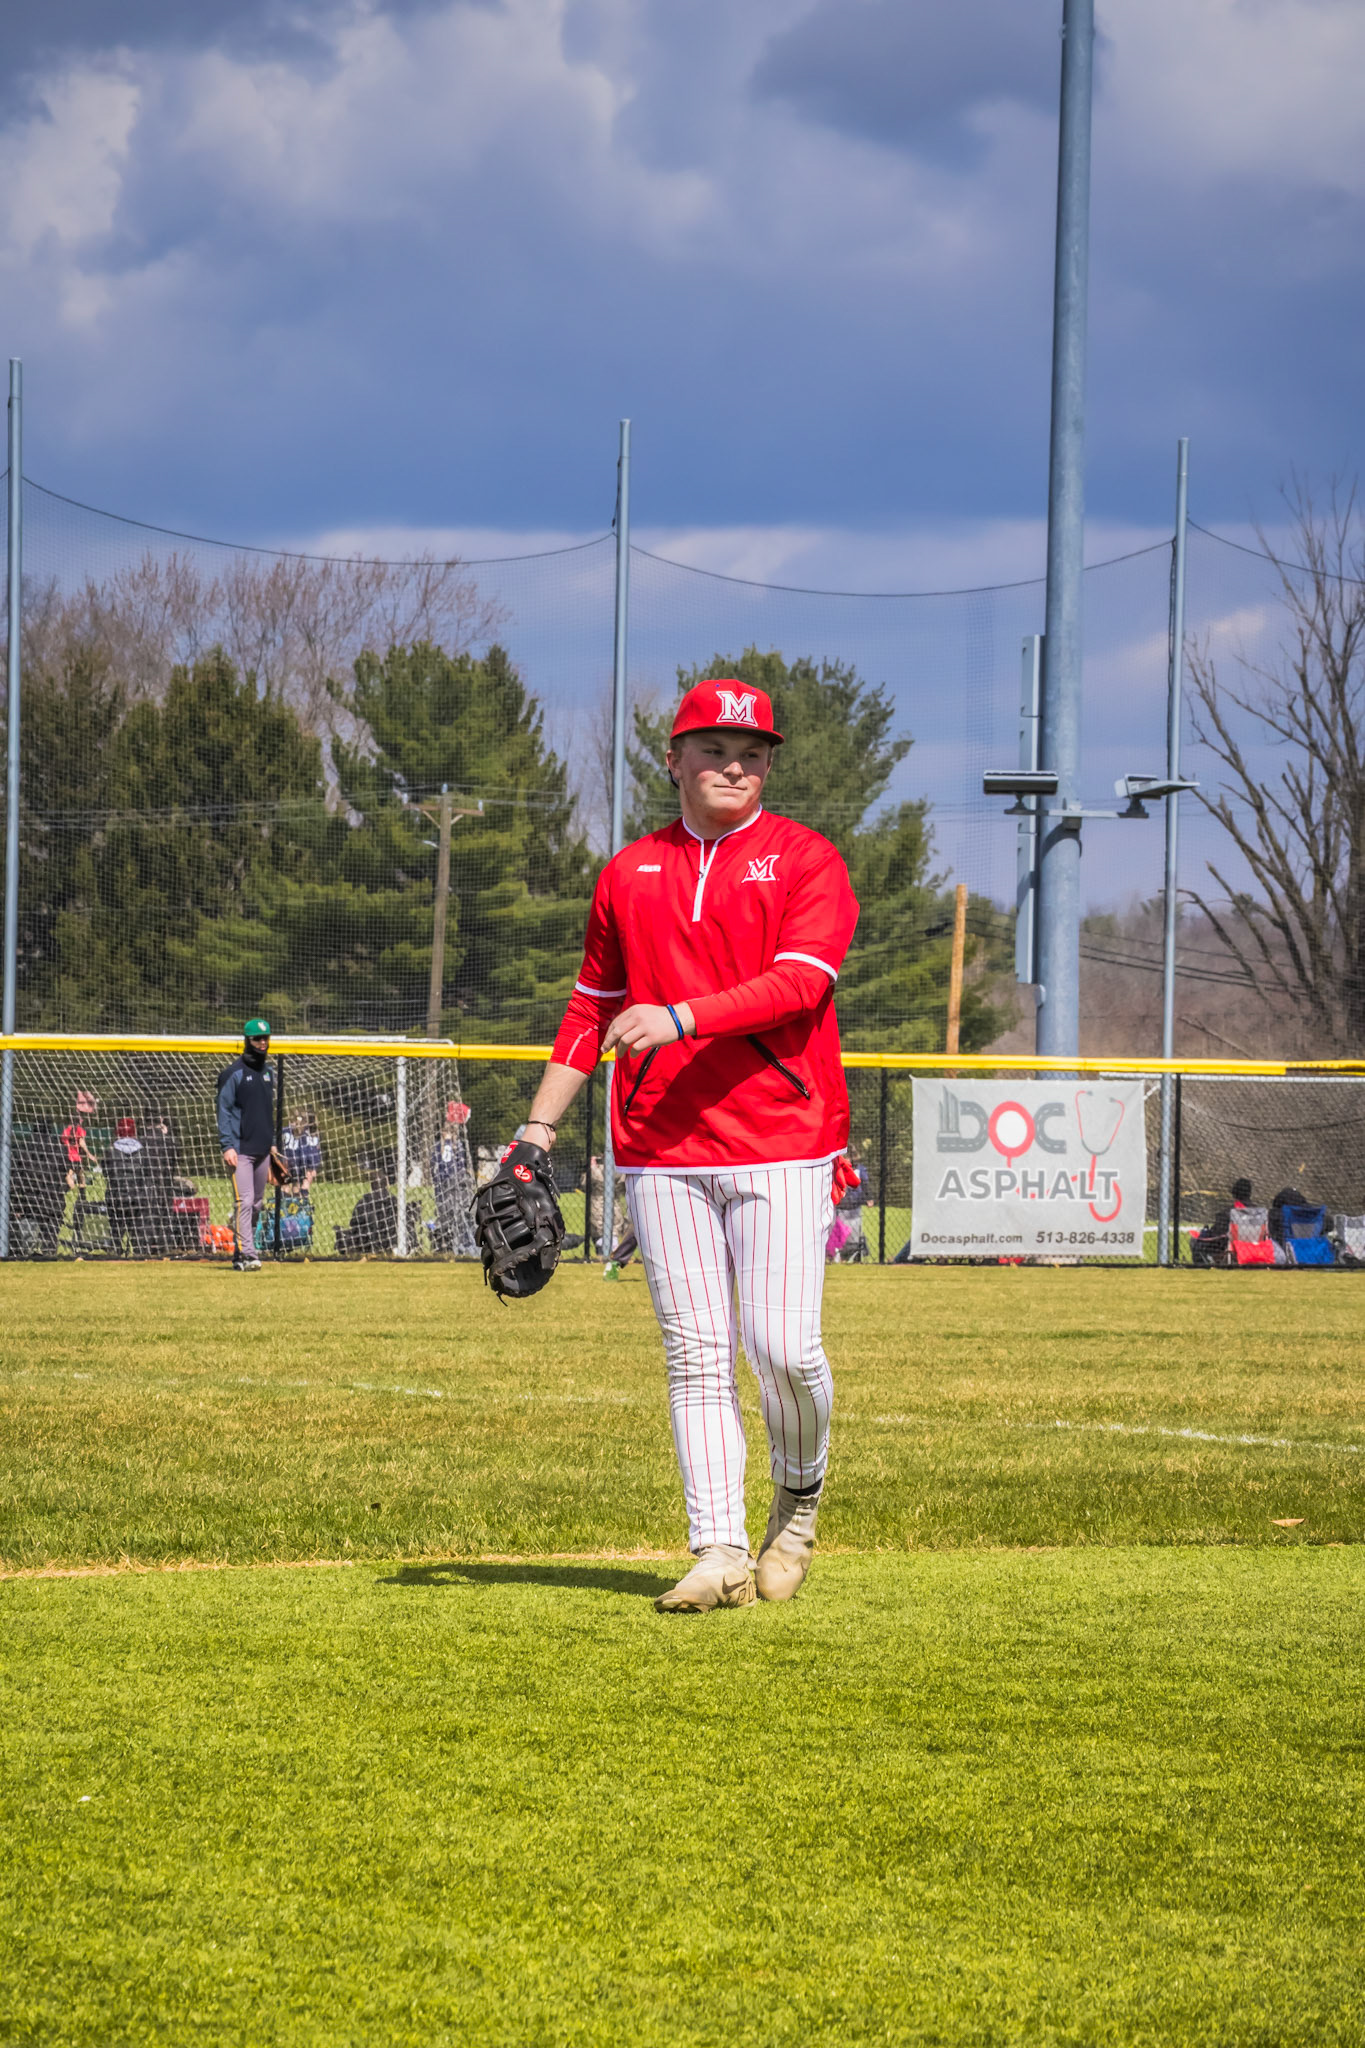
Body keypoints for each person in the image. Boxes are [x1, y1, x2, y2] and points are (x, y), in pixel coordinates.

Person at [516, 679, 860, 1613]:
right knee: (697, 1353)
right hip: (660, 1144)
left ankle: (797, 1502)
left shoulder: (806, 859)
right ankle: (717, 1548)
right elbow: (589, 1008)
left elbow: (800, 984)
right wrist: (536, 1129)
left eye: (752, 754)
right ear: (673, 761)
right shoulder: (629, 872)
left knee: (782, 1348)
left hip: (780, 1134)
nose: (734, 766)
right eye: (713, 750)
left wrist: (680, 1016)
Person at [216, 1018, 277, 1273]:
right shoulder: (233, 1074)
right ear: (247, 1040)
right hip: (240, 1150)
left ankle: (240, 1255)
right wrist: (227, 1145)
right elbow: (223, 1111)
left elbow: (266, 1112)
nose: (262, 1043)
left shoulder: (268, 1073)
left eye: (265, 1038)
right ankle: (250, 1254)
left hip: (262, 1150)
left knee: (257, 1204)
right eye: (257, 1039)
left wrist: (272, 1145)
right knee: (245, 1201)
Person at [104, 1117, 152, 1256]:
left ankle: (116, 1250)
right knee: (137, 1228)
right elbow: (147, 1172)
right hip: (137, 1196)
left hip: (117, 1196)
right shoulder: (143, 1151)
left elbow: (106, 1172)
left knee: (116, 1228)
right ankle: (138, 1252)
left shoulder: (111, 1151)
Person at [1192, 1177, 1253, 1267]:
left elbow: (1216, 1234)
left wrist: (1206, 1233)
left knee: (1195, 1240)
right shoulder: (1259, 1213)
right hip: (1253, 1247)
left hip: (1228, 1248)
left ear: (1234, 1193)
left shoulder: (1226, 1213)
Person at [282, 1109, 322, 1191]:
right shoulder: (288, 1131)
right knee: (293, 1185)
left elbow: (311, 1151)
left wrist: (312, 1167)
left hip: (298, 1163)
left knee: (297, 1184)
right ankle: (294, 1196)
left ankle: (297, 1197)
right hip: (293, 1162)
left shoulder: (309, 1134)